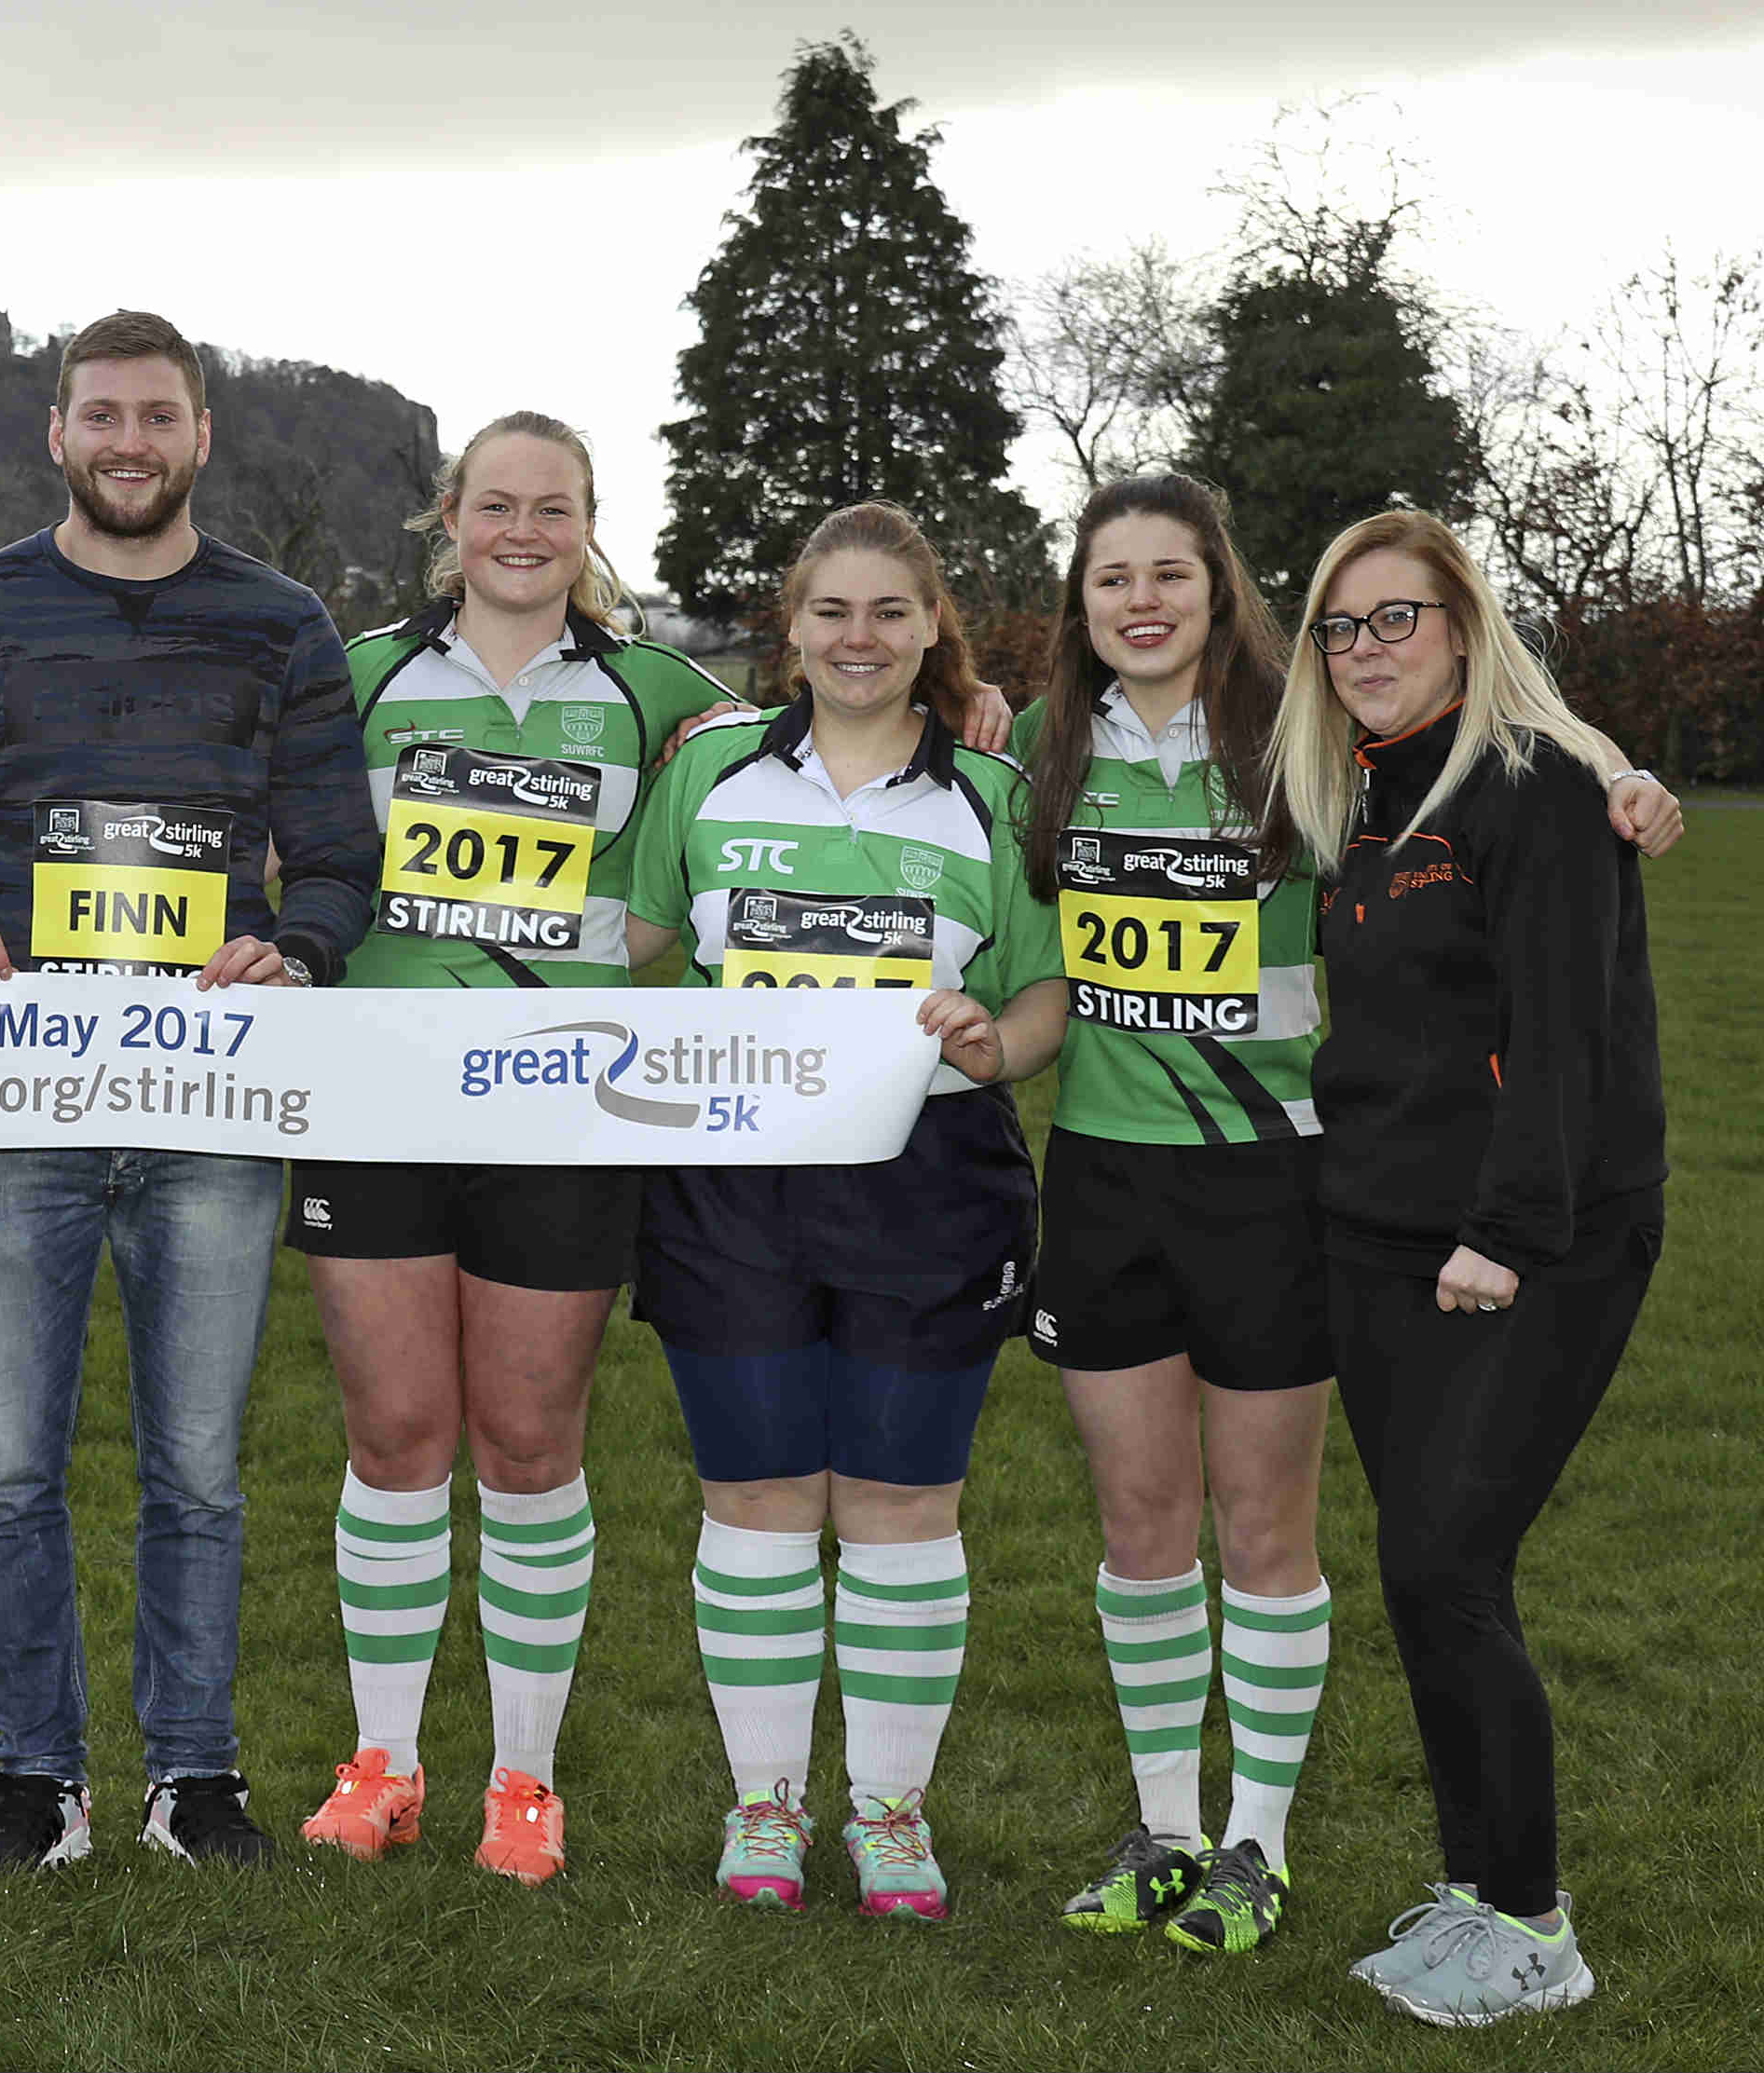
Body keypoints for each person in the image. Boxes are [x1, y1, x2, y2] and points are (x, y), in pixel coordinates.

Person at [1013, 477, 1687, 1956]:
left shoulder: (1292, 747)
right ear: (1079, 607)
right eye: (1108, 577)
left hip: (1284, 1181)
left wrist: (1616, 769)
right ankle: (1171, 1830)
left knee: (1308, 1533)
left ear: (1221, 592)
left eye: (1170, 575)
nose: (1140, 601)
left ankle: (1265, 1846)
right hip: (1134, 1180)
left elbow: (1516, 778)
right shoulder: (1050, 753)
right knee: (1149, 1525)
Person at [0, 310, 380, 1870]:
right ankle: (37, 1779)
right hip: (21, 1093)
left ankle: (193, 1774)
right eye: (103, 415)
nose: (131, 442)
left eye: (158, 415)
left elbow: (338, 846)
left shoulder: (281, 620)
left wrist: (296, 950)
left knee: (202, 1465)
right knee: (10, 1464)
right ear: (58, 433)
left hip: (209, 1097)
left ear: (200, 434)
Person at [286, 413, 732, 1885]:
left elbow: (819, 750)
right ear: (449, 518)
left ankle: (524, 1781)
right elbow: (288, 849)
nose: (523, 531)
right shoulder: (361, 677)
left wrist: (970, 710)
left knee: (532, 1446)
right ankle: (387, 1761)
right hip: (381, 1099)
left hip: (563, 1110)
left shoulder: (662, 691)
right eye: (496, 505)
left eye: (554, 507)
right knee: (398, 1436)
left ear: (590, 525)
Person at [623, 501, 1063, 1922]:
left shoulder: (993, 798)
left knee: (899, 1505)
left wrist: (1001, 1040)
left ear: (935, 624)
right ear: (790, 629)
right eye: (831, 612)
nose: (858, 638)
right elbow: (630, 948)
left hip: (928, 1181)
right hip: (726, 1182)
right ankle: (765, 1807)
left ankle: (888, 1814)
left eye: (889, 612)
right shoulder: (707, 776)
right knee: (753, 1498)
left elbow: (1046, 987)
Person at [1269, 511, 1665, 2026]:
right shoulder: (1359, 788)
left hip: (1532, 1241)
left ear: (1462, 620)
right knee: (1425, 1572)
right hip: (1375, 1232)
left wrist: (1502, 1234)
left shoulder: (1535, 783)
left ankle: (1534, 1929)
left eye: (1398, 617)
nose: (1368, 649)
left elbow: (1567, 1029)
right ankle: (1475, 1889)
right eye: (1343, 627)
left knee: (1447, 1561)